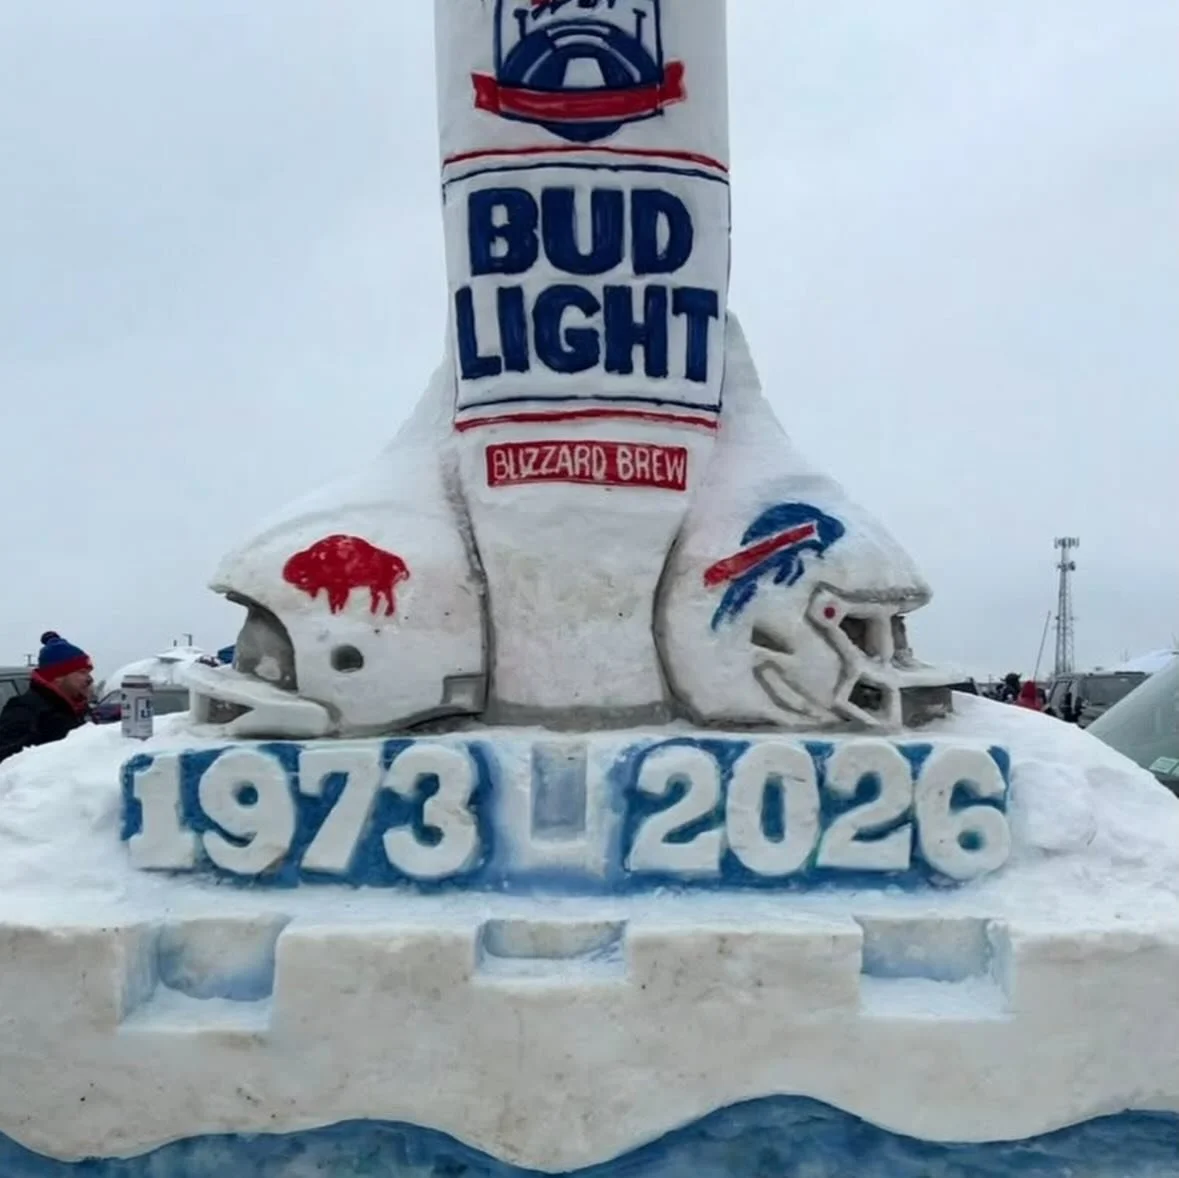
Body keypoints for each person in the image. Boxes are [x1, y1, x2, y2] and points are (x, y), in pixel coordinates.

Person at [0, 632, 94, 765]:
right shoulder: (24, 710)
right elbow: (8, 767)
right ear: (57, 676)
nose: (90, 679)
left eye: (89, 672)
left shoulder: (76, 709)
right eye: (82, 672)